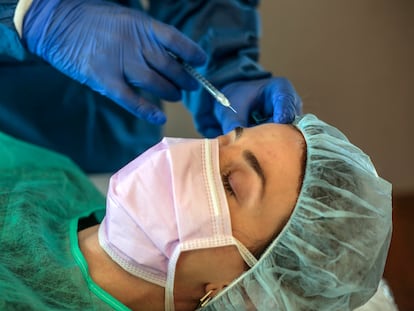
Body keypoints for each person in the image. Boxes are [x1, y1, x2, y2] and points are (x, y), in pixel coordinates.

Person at [0, 113, 393, 311]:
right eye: (218, 142)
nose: (187, 156)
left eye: (229, 183)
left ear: (247, 289)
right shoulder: (56, 179)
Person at [0, 0, 301, 173]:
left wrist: (225, 67)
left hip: (99, 131)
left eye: (231, 183)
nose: (208, 152)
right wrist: (29, 14)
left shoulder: (124, 173)